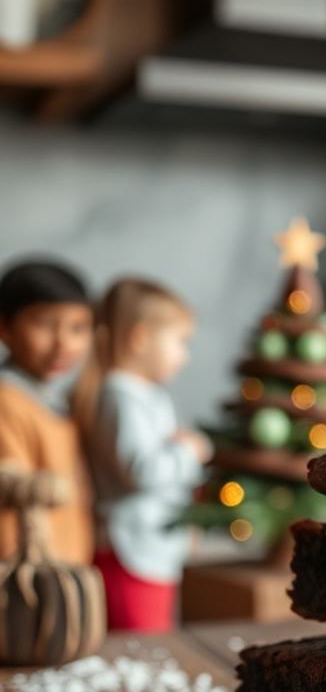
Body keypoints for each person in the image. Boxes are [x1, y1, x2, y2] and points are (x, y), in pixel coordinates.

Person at [77, 278, 212, 633]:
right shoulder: (121, 396)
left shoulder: (145, 395)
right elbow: (143, 472)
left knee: (155, 635)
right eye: (180, 341)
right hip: (131, 550)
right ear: (140, 338)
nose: (185, 355)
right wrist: (188, 449)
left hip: (150, 548)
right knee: (142, 642)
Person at [0, 259, 94, 564]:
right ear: (5, 327)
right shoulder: (8, 401)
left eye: (78, 328)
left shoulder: (56, 401)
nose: (63, 343)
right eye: (44, 324)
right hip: (26, 570)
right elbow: (15, 491)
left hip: (66, 560)